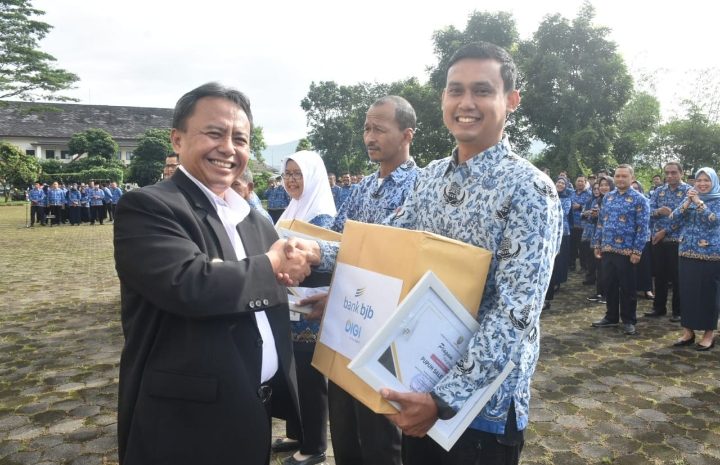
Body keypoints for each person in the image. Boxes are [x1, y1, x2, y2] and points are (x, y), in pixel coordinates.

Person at [114, 82, 316, 465]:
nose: (228, 148)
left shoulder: (253, 219)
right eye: (214, 133)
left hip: (252, 410)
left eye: (240, 139)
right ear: (177, 139)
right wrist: (271, 264)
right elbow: (191, 284)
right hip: (185, 424)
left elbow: (280, 275)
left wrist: (322, 291)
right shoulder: (149, 207)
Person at [328, 95, 419, 465]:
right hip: (349, 321)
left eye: (379, 129)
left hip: (388, 330)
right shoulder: (363, 187)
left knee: (380, 435)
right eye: (366, 128)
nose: (369, 136)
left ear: (407, 134)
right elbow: (338, 241)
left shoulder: (421, 187)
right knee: (344, 428)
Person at [273, 150, 336, 465]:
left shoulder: (322, 214)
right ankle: (297, 433)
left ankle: (314, 446)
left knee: (310, 378)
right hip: (289, 301)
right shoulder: (293, 208)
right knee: (293, 372)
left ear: (312, 176)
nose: (291, 180)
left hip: (310, 306)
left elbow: (322, 265)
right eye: (287, 174)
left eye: (298, 174)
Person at [591, 165, 650, 336]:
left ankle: (629, 320)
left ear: (632, 178)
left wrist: (637, 251)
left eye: (624, 176)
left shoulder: (640, 200)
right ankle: (611, 317)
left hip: (627, 252)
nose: (620, 179)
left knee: (627, 288)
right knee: (609, 284)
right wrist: (597, 244)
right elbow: (601, 222)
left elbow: (642, 228)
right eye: (617, 176)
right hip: (607, 248)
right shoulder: (608, 197)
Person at [670, 167, 720, 351]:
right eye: (699, 180)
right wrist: (687, 203)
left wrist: (699, 202)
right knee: (687, 292)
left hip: (710, 254)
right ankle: (688, 332)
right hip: (686, 252)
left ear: (714, 182)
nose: (702, 184)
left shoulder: (718, 200)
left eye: (706, 180)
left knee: (708, 294)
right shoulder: (689, 198)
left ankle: (708, 334)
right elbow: (673, 219)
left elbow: (714, 220)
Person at [645, 162, 689, 322]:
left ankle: (678, 311)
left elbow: (685, 217)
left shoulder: (689, 192)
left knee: (678, 277)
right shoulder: (659, 191)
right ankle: (658, 307)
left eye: (673, 172)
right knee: (660, 276)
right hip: (658, 240)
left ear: (681, 173)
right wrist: (658, 211)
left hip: (678, 240)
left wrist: (665, 231)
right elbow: (648, 211)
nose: (670, 176)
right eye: (667, 173)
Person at [586, 176, 614, 304]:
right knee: (599, 267)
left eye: (606, 185)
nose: (603, 187)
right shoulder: (597, 200)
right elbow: (591, 220)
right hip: (597, 237)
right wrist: (593, 215)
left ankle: (608, 294)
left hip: (610, 239)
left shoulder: (614, 200)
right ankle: (599, 292)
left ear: (612, 186)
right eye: (601, 185)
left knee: (608, 268)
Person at [570, 175, 591, 271]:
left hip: (583, 225)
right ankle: (571, 264)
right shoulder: (571, 193)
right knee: (572, 246)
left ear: (585, 183)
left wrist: (580, 207)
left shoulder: (589, 194)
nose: (580, 183)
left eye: (582, 181)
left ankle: (584, 266)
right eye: (578, 181)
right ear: (575, 182)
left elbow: (590, 208)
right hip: (572, 224)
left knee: (583, 248)